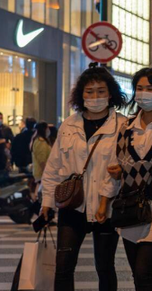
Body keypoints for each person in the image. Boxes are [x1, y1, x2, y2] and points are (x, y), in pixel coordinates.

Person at [40, 64, 127, 291]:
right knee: (64, 267)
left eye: (100, 91)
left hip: (106, 209)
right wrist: (47, 203)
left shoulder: (122, 125)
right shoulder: (69, 124)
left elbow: (121, 168)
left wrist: (105, 200)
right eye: (89, 91)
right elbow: (53, 167)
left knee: (105, 267)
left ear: (110, 94)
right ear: (81, 94)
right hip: (72, 206)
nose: (95, 96)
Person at [98, 67, 152, 291]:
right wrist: (105, 199)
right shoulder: (126, 127)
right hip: (131, 210)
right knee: (138, 274)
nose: (143, 93)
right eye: (139, 88)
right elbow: (116, 163)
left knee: (145, 272)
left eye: (150, 88)